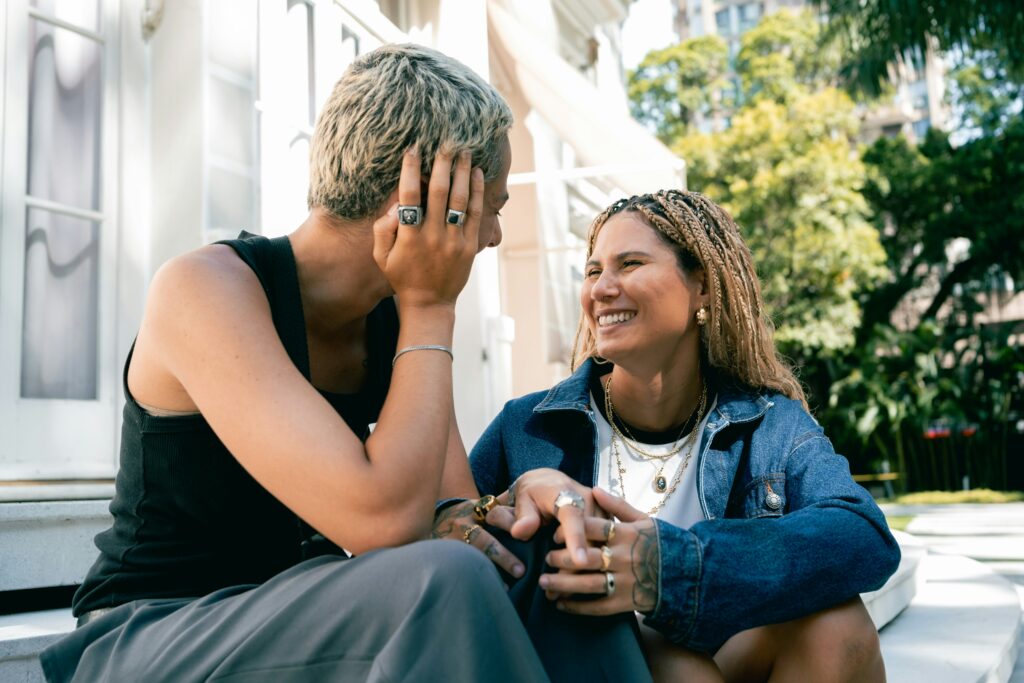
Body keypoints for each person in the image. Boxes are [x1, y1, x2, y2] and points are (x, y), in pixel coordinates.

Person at [40, 43, 566, 683]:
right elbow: (388, 524)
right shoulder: (205, 290)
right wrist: (431, 306)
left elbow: (449, 507)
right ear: (427, 201)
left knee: (537, 562)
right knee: (444, 577)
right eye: (494, 209)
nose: (494, 238)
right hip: (149, 635)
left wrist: (518, 509)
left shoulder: (395, 315)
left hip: (299, 613)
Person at [463, 190, 901, 682]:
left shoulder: (769, 425)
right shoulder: (528, 428)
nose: (601, 289)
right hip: (580, 668)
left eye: (629, 263)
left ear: (702, 288)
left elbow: (864, 537)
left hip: (726, 663)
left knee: (839, 625)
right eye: (592, 271)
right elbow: (442, 538)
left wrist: (670, 567)